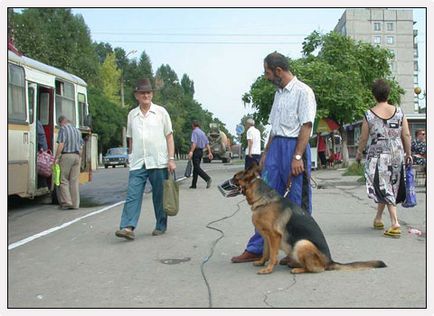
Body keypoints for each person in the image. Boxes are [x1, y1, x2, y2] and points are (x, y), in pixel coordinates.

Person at [231, 51, 317, 264]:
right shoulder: (279, 94)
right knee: (265, 199)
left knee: (295, 202)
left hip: (294, 147)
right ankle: (257, 247)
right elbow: (274, 128)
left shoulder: (303, 92)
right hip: (276, 148)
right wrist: (266, 154)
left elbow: (306, 126)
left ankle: (296, 251)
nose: (266, 76)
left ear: (278, 71)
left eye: (267, 72)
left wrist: (297, 156)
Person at [115, 78, 176, 240]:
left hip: (158, 160)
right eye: (142, 93)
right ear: (136, 95)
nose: (146, 95)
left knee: (159, 195)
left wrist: (171, 159)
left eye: (148, 92)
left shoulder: (161, 112)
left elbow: (169, 137)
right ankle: (127, 227)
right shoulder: (132, 115)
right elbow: (131, 139)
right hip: (138, 162)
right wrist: (130, 156)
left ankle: (161, 225)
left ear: (152, 94)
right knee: (133, 193)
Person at [356, 79, 412, 239]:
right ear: (388, 93)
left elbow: (363, 137)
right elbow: (406, 134)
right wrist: (408, 154)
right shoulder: (400, 112)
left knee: (383, 185)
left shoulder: (369, 114)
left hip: (378, 154)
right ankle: (378, 218)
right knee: (388, 184)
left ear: (374, 95)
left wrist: (359, 152)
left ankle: (395, 223)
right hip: (396, 153)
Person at [54, 115, 83, 209]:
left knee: (64, 179)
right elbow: (81, 146)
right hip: (77, 156)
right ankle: (76, 204)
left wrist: (56, 157)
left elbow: (61, 144)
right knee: (74, 181)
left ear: (62, 122)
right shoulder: (77, 131)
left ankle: (67, 202)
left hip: (67, 155)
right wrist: (79, 157)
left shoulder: (63, 129)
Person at [188, 120, 213, 189]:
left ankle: (207, 179)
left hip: (196, 151)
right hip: (201, 152)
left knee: (196, 167)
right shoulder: (202, 133)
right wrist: (210, 152)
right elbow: (207, 143)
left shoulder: (194, 132)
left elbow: (194, 143)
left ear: (193, 125)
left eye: (192, 125)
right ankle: (193, 185)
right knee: (196, 168)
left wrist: (191, 152)